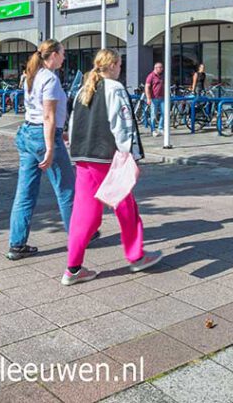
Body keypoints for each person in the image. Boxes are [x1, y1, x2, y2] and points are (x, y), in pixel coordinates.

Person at [64, 49, 161, 285]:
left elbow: (74, 124)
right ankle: (136, 255)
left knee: (84, 215)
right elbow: (123, 125)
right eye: (119, 64)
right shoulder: (115, 89)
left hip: (83, 158)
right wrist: (131, 156)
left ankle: (73, 268)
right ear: (114, 65)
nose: (121, 68)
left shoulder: (83, 90)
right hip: (106, 158)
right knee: (126, 207)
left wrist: (75, 152)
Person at [7, 40, 77, 260]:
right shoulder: (50, 78)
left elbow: (37, 112)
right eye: (63, 54)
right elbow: (47, 116)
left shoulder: (33, 75)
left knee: (25, 193)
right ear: (53, 55)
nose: (65, 58)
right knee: (66, 189)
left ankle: (17, 244)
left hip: (27, 134)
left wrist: (58, 130)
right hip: (42, 137)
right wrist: (50, 146)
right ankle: (79, 235)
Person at [144, 62, 165, 137]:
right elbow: (147, 87)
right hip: (154, 98)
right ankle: (153, 130)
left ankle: (160, 128)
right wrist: (148, 98)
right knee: (153, 114)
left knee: (164, 113)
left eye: (162, 67)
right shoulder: (151, 76)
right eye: (160, 67)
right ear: (156, 68)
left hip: (162, 97)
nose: (162, 69)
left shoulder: (161, 76)